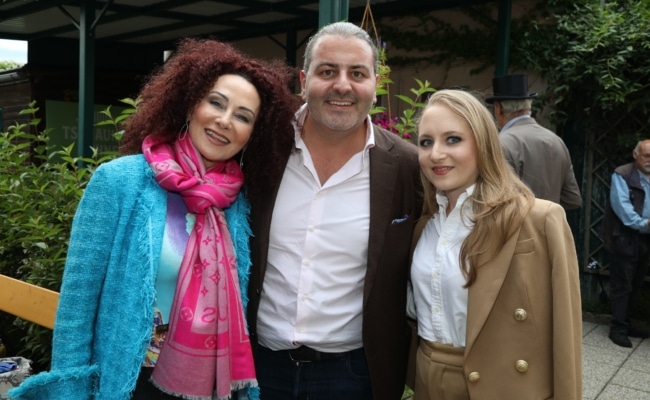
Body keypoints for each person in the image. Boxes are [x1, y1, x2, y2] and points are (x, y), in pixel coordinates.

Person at [9, 38, 299, 400]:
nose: (225, 121)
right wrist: (72, 389)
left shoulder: (240, 202)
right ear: (191, 104)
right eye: (216, 103)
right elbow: (77, 306)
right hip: (130, 383)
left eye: (243, 116)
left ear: (253, 135)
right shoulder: (119, 182)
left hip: (210, 384)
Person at [246, 22, 423, 400]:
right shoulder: (261, 150)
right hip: (257, 367)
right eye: (328, 71)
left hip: (355, 374)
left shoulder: (408, 167)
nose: (342, 85)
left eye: (357, 73)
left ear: (376, 83)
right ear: (303, 79)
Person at [409, 89, 582, 399]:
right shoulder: (424, 227)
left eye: (453, 139)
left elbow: (566, 339)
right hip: (427, 383)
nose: (435, 154)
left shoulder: (539, 220)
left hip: (501, 386)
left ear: (483, 144)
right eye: (426, 142)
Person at [485, 73, 582, 210]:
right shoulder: (556, 141)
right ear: (528, 105)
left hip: (516, 229)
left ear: (499, 108)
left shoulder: (501, 143)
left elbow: (496, 201)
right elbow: (573, 199)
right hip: (551, 229)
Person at [601, 140, 650, 348]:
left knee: (637, 283)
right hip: (625, 237)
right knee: (623, 285)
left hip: (646, 239)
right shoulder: (622, 174)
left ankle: (627, 324)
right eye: (647, 155)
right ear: (635, 154)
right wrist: (645, 223)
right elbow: (623, 210)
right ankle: (618, 329)